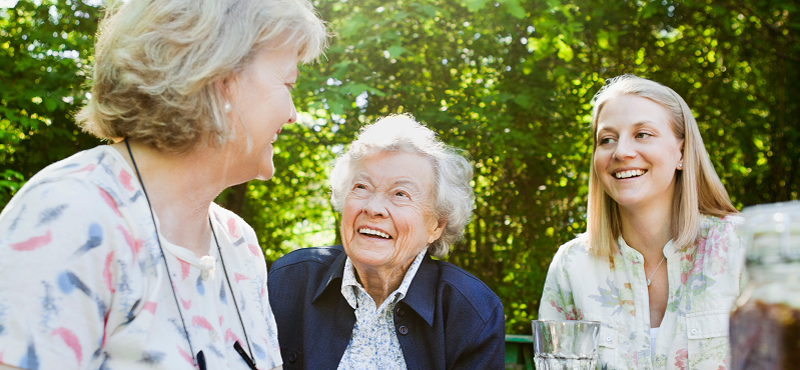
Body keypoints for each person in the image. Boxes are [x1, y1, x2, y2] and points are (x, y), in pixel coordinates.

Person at [0, 0, 327, 368]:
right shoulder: (70, 217)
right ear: (219, 79)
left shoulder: (238, 243)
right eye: (287, 83)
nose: (293, 114)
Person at [268, 114, 506, 370]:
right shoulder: (289, 280)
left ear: (436, 225)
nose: (373, 207)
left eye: (400, 194)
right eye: (361, 187)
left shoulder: (472, 310)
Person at [539, 75, 744, 369]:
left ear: (682, 153)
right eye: (607, 139)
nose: (621, 152)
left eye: (642, 134)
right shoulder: (572, 265)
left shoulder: (742, 246)